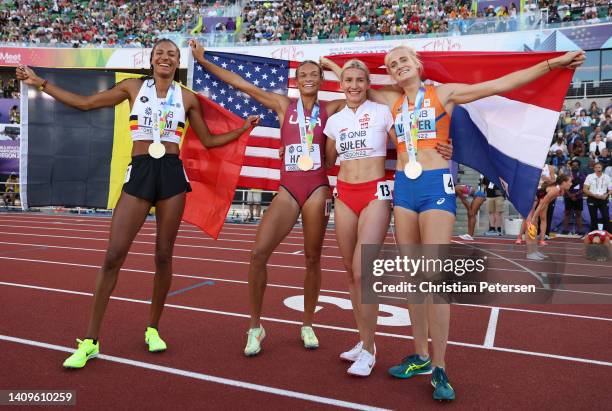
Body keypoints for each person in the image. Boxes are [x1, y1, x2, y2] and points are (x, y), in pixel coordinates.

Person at [324, 45, 584, 401]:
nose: (397, 66)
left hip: (435, 189)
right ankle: (420, 355)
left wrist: (552, 63)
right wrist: (326, 65)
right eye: (391, 63)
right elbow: (353, 83)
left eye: (402, 60)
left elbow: (500, 84)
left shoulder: (444, 93)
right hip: (403, 191)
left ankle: (441, 366)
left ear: (417, 64)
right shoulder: (389, 99)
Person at [16, 39, 259, 369]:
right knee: (114, 254)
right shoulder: (132, 86)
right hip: (141, 171)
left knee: (163, 255)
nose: (165, 57)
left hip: (172, 174)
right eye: (160, 52)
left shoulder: (187, 98)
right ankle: (90, 341)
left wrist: (242, 129)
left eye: (172, 54)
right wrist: (40, 83)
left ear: (178, 63)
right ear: (151, 58)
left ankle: (153, 329)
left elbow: (209, 140)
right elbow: (86, 104)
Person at [189, 40, 345, 356]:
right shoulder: (282, 104)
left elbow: (362, 92)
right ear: (296, 80)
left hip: (317, 186)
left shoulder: (331, 108)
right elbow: (240, 83)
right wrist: (203, 61)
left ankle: (307, 324)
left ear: (322, 79)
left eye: (315, 74)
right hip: (288, 188)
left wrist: (338, 69)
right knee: (258, 254)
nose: (309, 78)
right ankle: (256, 326)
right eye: (304, 74)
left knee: (312, 257)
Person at [323, 60, 396, 377]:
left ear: (368, 83)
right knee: (350, 275)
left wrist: (439, 151)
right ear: (341, 84)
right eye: (347, 80)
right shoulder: (335, 121)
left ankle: (369, 350)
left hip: (375, 194)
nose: (352, 85)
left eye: (358, 80)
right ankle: (364, 340)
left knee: (362, 270)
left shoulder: (381, 111)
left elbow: (406, 148)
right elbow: (326, 160)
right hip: (344, 194)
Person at [522, 175, 572, 259]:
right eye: (570, 182)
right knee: (531, 227)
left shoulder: (560, 190)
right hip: (530, 200)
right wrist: (534, 218)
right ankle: (530, 253)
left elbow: (545, 203)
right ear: (563, 182)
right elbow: (542, 203)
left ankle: (535, 251)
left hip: (536, 201)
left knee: (535, 226)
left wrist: (536, 217)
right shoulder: (555, 190)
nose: (571, 184)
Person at [583, 162, 611, 232]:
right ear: (593, 169)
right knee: (593, 217)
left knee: (606, 217)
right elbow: (585, 189)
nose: (597, 169)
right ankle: (593, 233)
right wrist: (593, 195)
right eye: (596, 167)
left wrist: (606, 195)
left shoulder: (607, 177)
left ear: (602, 168)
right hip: (592, 198)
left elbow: (611, 189)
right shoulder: (590, 176)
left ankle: (607, 234)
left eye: (599, 167)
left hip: (603, 199)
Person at [562, 159, 585, 235]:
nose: (575, 166)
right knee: (567, 213)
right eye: (573, 165)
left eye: (576, 165)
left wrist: (575, 195)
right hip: (568, 196)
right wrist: (570, 195)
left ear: (579, 166)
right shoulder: (566, 174)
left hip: (578, 197)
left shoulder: (582, 174)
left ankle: (580, 230)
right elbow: (564, 186)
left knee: (579, 213)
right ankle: (565, 230)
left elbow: (584, 187)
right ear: (571, 166)